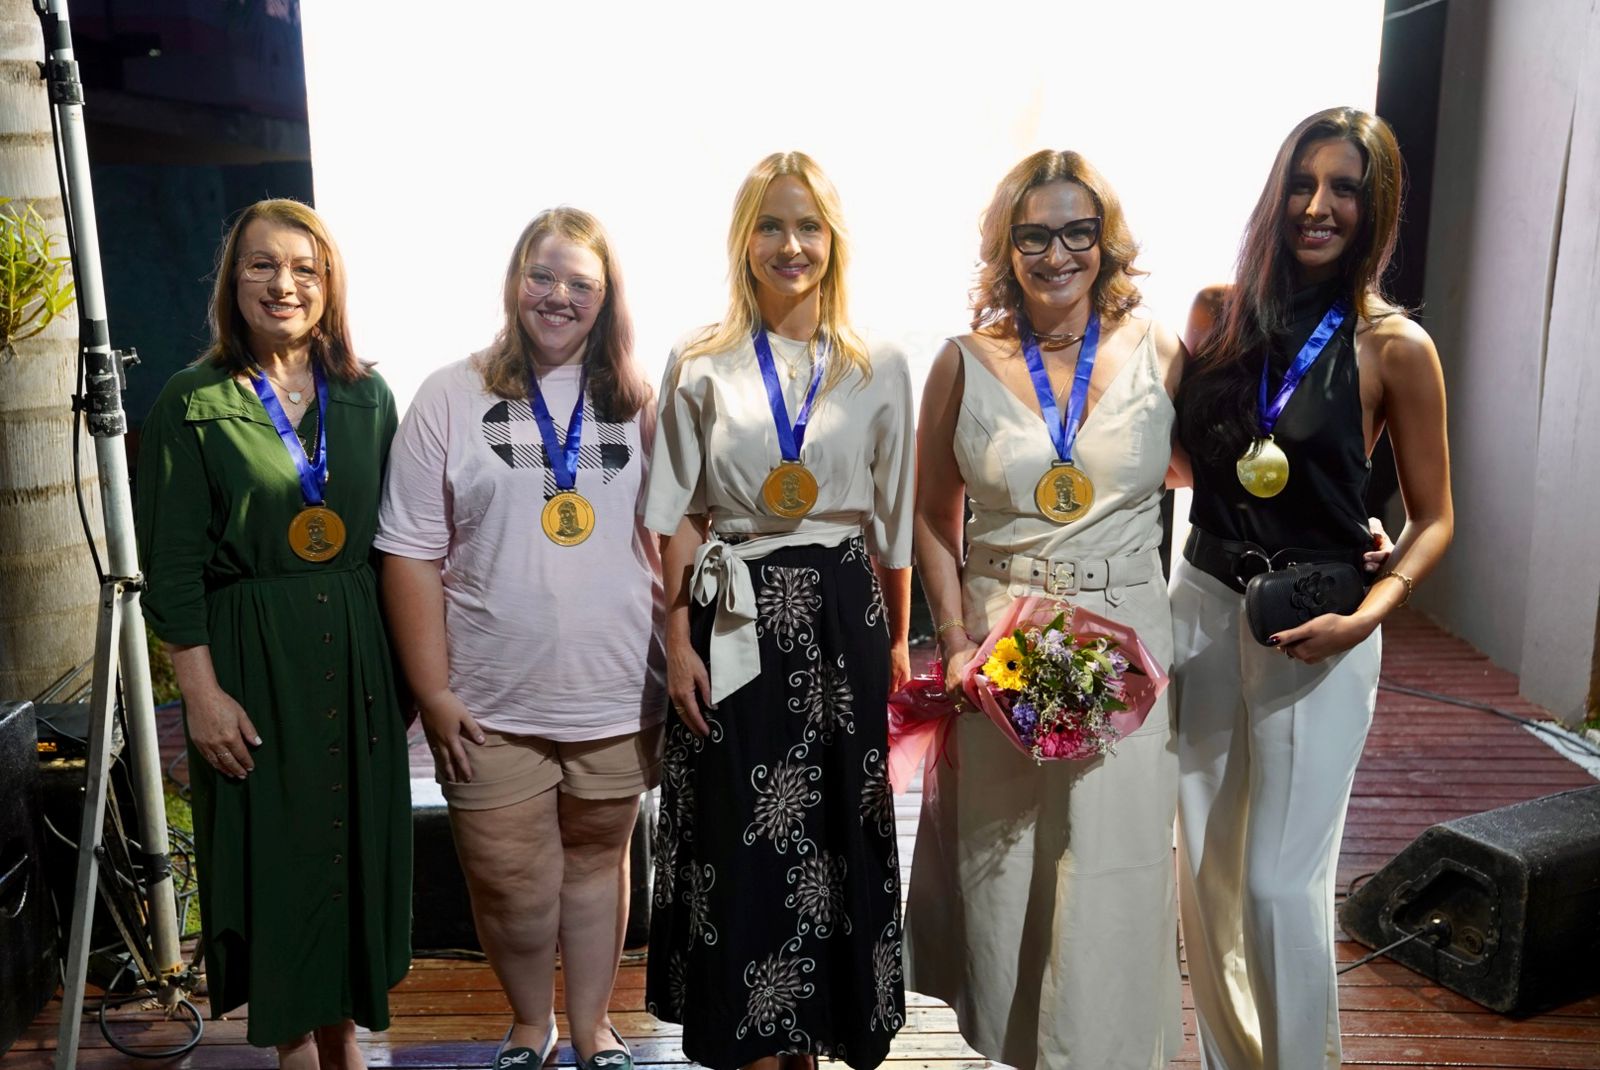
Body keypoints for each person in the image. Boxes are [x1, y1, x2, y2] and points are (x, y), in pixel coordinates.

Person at [1172, 106, 1453, 1069]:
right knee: (1205, 879)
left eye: (1344, 188)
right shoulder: (1215, 314)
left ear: (1375, 208)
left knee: (1277, 886)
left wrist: (1368, 613)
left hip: (1320, 625)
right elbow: (1181, 464)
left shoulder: (1395, 348)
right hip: (1203, 606)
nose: (1317, 206)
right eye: (1303, 183)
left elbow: (1437, 514)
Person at [902, 151, 1187, 1069]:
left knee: (1112, 875)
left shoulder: (1160, 351)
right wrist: (950, 636)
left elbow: (1215, 475)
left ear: (1105, 243)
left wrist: (1351, 536)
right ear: (1007, 246)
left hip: (1128, 647)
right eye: (1034, 234)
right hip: (1003, 646)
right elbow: (929, 514)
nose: (1056, 253)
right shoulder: (963, 361)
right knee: (1008, 874)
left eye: (1077, 231)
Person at [643, 151, 915, 1070]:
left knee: (838, 826)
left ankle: (815, 1034)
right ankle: (753, 1042)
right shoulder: (701, 357)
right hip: (735, 612)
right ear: (743, 239)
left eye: (807, 225)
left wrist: (903, 644)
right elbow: (678, 513)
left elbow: (896, 527)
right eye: (770, 224)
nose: (789, 245)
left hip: (845, 614)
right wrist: (676, 641)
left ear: (832, 240)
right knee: (740, 832)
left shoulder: (880, 364)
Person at [377, 207, 664, 1070]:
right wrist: (432, 692)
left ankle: (591, 1028)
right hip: (489, 696)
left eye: (581, 283)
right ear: (514, 280)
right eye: (543, 276)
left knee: (596, 859)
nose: (558, 296)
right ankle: (529, 1025)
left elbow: (680, 535)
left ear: (607, 298)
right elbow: (409, 551)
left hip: (615, 687)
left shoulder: (638, 400)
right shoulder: (450, 396)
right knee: (506, 877)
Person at [135, 199, 411, 1070]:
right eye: (261, 265)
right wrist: (202, 694)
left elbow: (399, 545)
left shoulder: (368, 395)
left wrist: (407, 678)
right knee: (281, 856)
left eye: (304, 267)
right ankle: (299, 1050)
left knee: (346, 849)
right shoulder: (194, 398)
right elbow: (173, 566)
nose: (283, 284)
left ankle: (347, 1044)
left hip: (358, 655)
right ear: (233, 280)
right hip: (253, 658)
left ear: (329, 283)